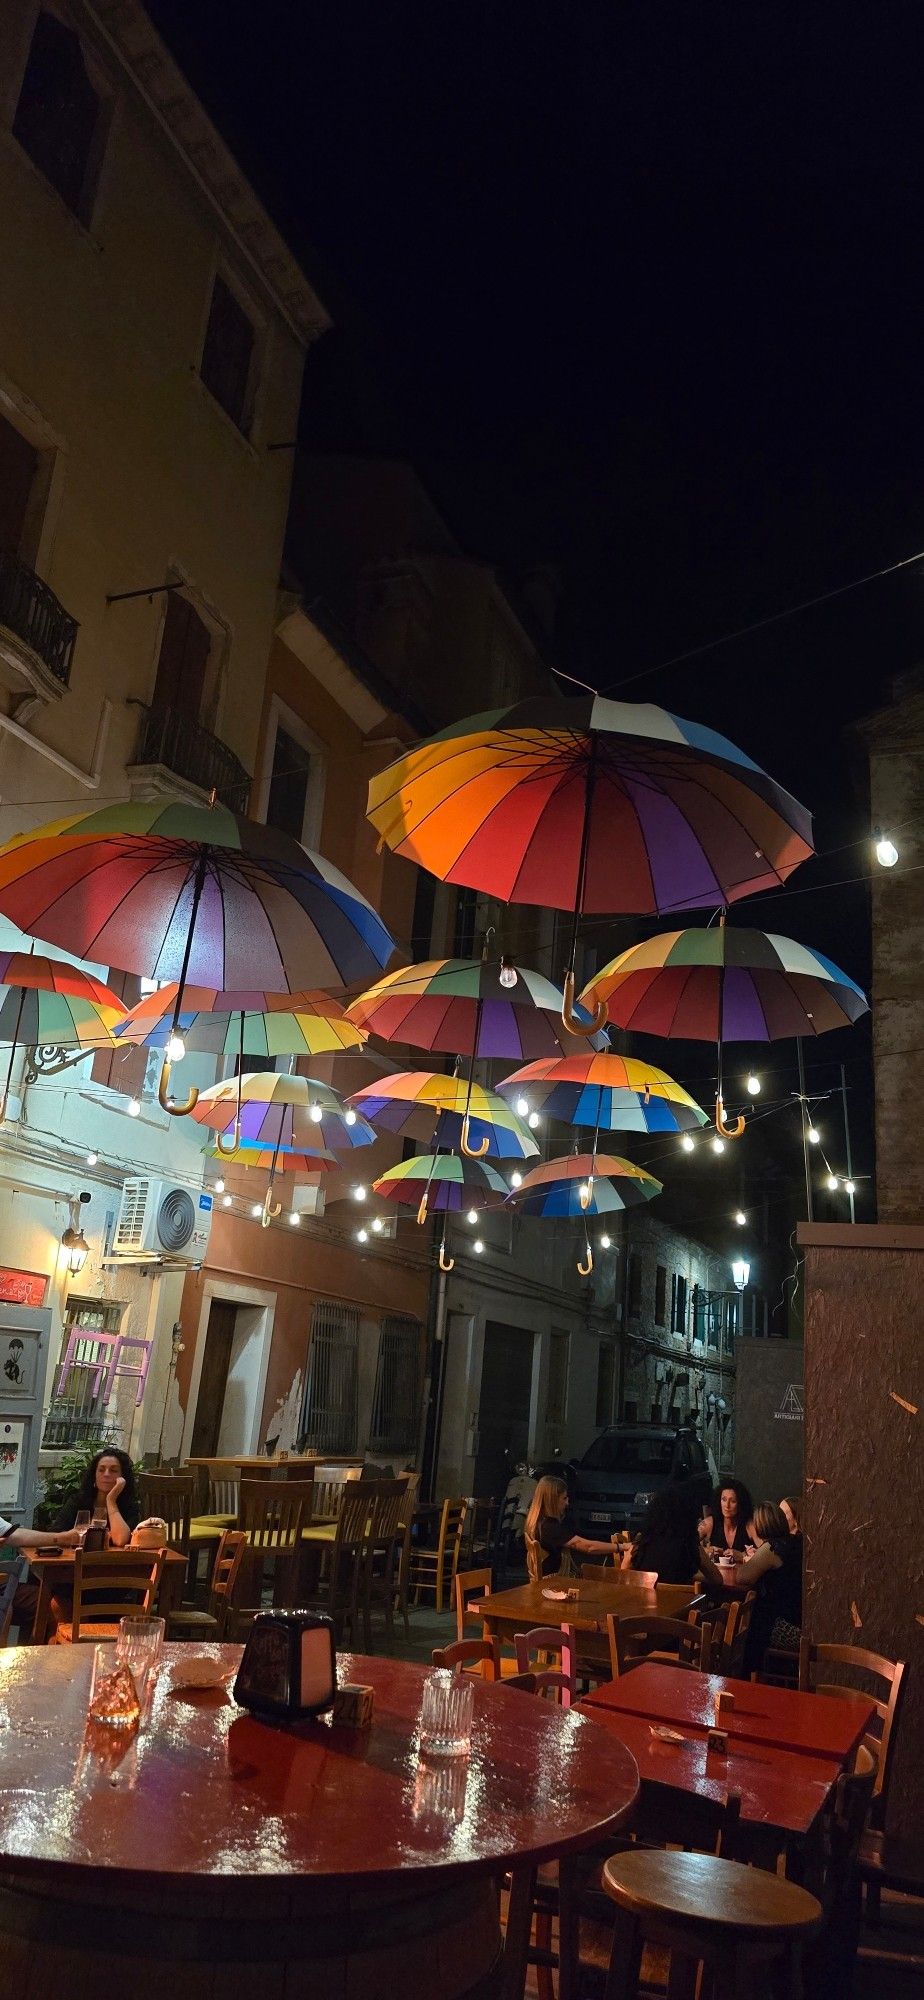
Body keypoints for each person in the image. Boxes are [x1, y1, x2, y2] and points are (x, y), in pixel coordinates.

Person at [736, 1500, 803, 1673]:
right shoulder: (794, 1542)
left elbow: (743, 1577)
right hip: (798, 1619)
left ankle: (748, 1678)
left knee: (750, 1625)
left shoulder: (772, 1547)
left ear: (759, 1525)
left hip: (783, 1626)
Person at [629, 1481, 725, 1588]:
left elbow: (624, 1570)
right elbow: (717, 1579)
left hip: (643, 1600)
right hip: (679, 1601)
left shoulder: (644, 1538)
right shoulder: (688, 1541)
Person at [524, 1475, 615, 1579]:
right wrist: (620, 1547)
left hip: (548, 1578)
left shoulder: (536, 1522)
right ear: (552, 1500)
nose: (567, 1503)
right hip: (554, 1582)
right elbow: (589, 1547)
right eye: (564, 1498)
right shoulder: (549, 1528)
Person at [51, 1447, 139, 1547]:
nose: (106, 1474)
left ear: (123, 1477)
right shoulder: (78, 1501)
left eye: (113, 1470)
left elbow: (120, 1540)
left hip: (111, 1561)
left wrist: (111, 1500)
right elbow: (56, 1533)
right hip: (73, 1559)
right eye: (101, 1470)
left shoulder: (129, 1507)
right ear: (94, 1475)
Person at [706, 1477, 754, 1559]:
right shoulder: (711, 1522)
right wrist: (708, 1550)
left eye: (733, 1501)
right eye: (724, 1500)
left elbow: (766, 1550)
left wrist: (742, 1555)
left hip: (743, 1571)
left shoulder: (749, 1525)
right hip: (715, 1572)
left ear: (741, 1503)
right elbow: (689, 1543)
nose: (727, 1506)